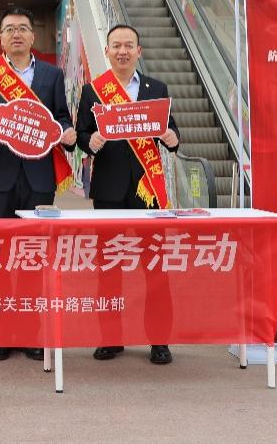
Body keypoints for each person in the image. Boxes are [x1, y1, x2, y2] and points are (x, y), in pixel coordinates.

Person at [0, 6, 75, 362]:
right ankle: (0, 333)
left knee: (34, 257)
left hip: (38, 177)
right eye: (9, 29)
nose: (16, 34)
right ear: (0, 36)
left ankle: (32, 333)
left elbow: (61, 118)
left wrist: (67, 132)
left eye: (23, 28)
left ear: (33, 36)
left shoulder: (51, 74)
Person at [75, 23, 179, 365]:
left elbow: (172, 131)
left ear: (138, 51)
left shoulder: (156, 88)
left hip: (148, 189)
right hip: (108, 189)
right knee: (109, 268)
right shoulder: (93, 91)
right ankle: (111, 338)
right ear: (107, 51)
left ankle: (159, 340)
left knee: (156, 268)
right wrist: (90, 141)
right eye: (116, 46)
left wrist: (172, 138)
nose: (122, 51)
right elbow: (81, 135)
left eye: (128, 45)